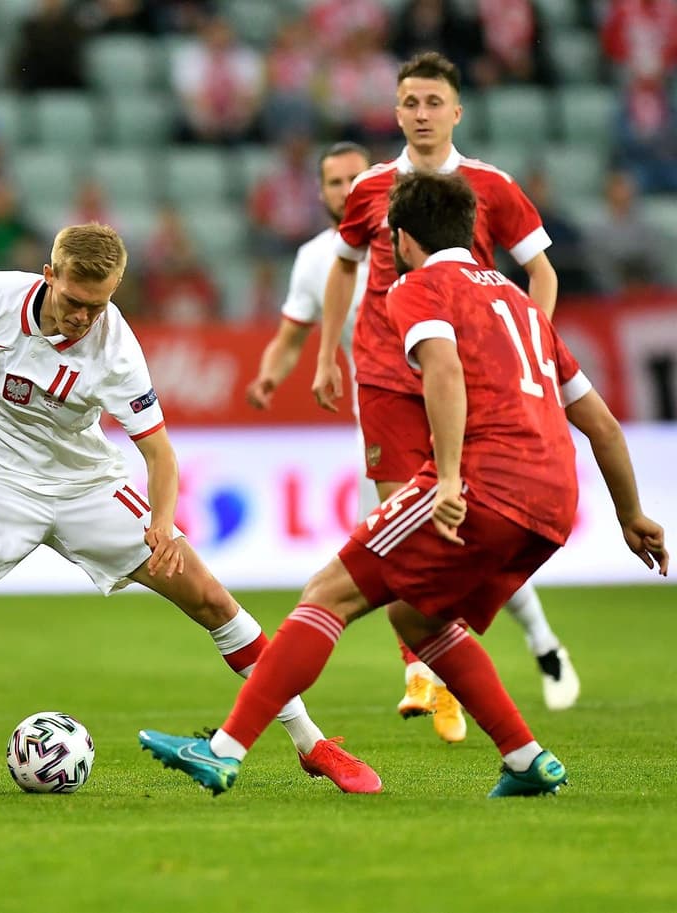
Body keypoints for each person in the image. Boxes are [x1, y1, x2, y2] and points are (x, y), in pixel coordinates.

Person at [141, 171, 668, 798]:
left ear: (401, 239)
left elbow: (442, 370)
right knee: (417, 618)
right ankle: (526, 759)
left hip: (482, 482)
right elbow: (602, 424)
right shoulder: (524, 305)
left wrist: (447, 479)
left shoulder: (416, 287)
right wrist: (632, 513)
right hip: (555, 502)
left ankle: (223, 750)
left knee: (328, 593)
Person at [0, 223, 380, 798]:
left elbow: (159, 453)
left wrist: (161, 522)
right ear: (49, 276)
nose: (85, 317)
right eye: (75, 302)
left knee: (211, 598)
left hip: (89, 486)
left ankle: (312, 743)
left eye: (100, 303)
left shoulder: (117, 349)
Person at [311, 52, 579, 732]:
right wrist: (327, 352)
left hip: (467, 382)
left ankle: (493, 645)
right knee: (403, 519)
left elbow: (540, 272)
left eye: (434, 102)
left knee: (457, 528)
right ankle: (424, 674)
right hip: (384, 375)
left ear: (456, 111)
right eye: (410, 103)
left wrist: (532, 342)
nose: (422, 114)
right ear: (396, 111)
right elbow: (343, 268)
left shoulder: (491, 185)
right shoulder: (372, 188)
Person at [246, 141, 379, 513]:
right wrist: (268, 377)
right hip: (375, 419)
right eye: (335, 182)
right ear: (320, 193)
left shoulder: (410, 239)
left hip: (443, 408)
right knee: (379, 542)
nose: (347, 189)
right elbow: (289, 340)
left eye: (356, 178)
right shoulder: (314, 259)